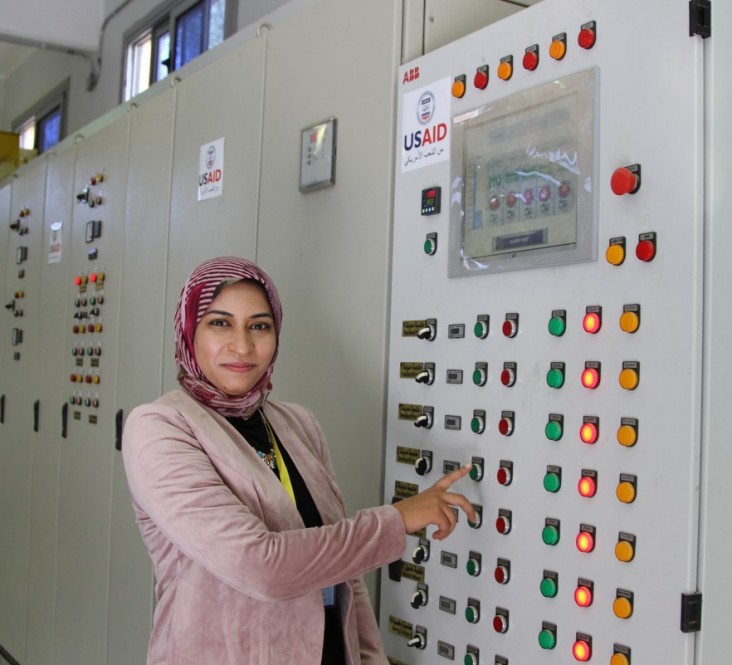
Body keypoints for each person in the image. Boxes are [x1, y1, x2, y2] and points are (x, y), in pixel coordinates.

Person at [122, 256, 476, 665]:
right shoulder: (161, 427)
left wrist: (368, 657)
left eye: (259, 325)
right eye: (220, 323)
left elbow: (344, 569)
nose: (243, 345)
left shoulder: (298, 424)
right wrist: (395, 521)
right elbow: (260, 566)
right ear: (189, 331)